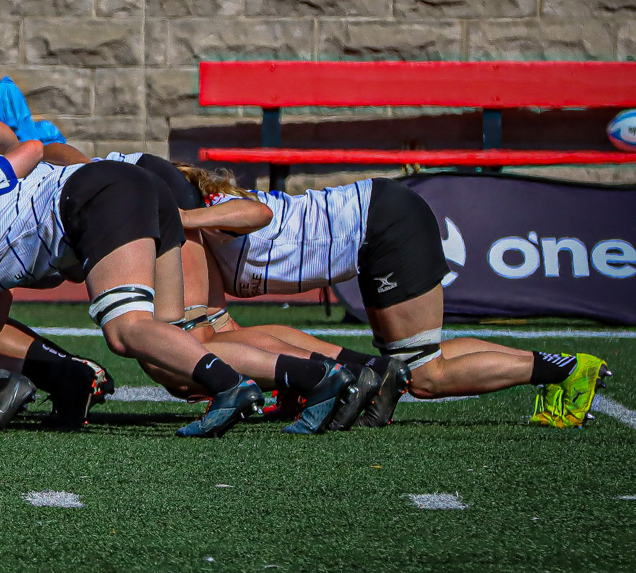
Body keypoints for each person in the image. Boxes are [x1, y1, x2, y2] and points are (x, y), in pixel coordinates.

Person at [0, 151, 354, 437]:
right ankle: (316, 375)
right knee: (175, 334)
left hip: (96, 196)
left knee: (125, 331)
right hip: (136, 183)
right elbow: (25, 152)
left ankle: (232, 387)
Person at [176, 166, 611, 430]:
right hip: (375, 225)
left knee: (424, 376)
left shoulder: (207, 210)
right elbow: (221, 324)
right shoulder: (198, 235)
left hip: (382, 223)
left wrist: (184, 216)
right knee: (417, 359)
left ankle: (567, 371)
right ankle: (557, 367)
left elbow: (260, 212)